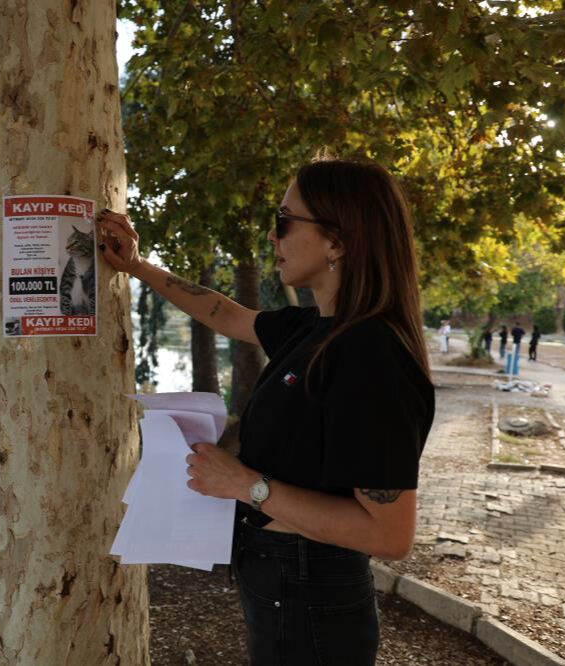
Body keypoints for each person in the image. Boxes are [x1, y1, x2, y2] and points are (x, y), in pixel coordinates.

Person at [97, 157, 435, 665]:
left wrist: (245, 485)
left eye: (284, 221)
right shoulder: (316, 329)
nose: (272, 238)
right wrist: (137, 266)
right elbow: (225, 313)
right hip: (285, 584)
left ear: (337, 241)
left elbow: (388, 535)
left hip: (312, 595)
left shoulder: (371, 354)